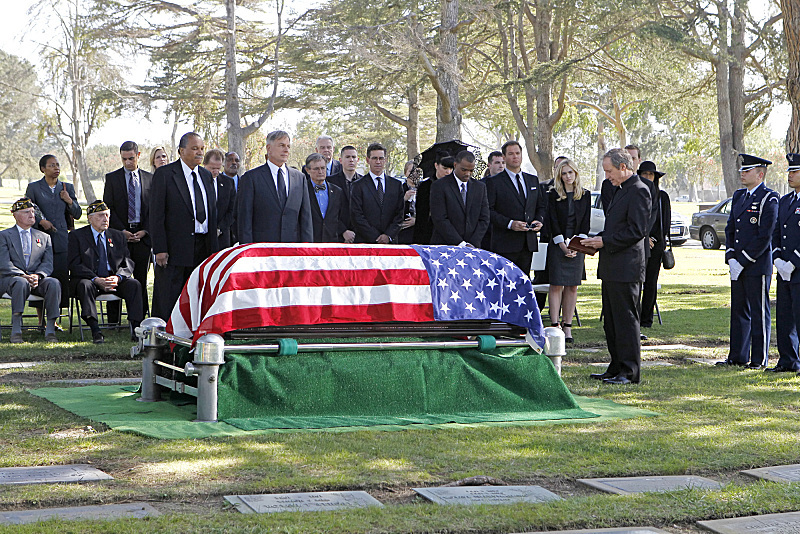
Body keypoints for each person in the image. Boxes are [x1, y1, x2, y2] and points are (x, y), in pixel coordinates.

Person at [582, 148, 651, 385]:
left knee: (626, 320)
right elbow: (616, 228)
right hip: (612, 265)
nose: (607, 176)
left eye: (609, 171)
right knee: (611, 321)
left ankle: (630, 371)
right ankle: (615, 366)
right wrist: (594, 240)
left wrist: (605, 241)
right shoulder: (620, 189)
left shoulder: (639, 190)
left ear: (623, 167)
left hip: (627, 267)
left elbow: (636, 230)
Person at [716, 154, 779, 369]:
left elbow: (765, 235)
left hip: (756, 264)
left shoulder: (768, 198)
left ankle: (759, 358)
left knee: (758, 312)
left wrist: (743, 260)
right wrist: (731, 256)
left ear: (760, 174)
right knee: (739, 311)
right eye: (742, 170)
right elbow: (731, 228)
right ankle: (737, 356)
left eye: (747, 170)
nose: (742, 173)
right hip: (738, 266)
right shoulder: (739, 196)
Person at [149, 132, 219, 320]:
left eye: (202, 148)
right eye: (195, 148)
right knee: (170, 296)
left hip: (203, 246)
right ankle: (166, 338)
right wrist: (160, 248)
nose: (200, 152)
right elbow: (156, 215)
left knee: (199, 294)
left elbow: (212, 212)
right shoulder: (165, 174)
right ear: (181, 151)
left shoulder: (205, 175)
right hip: (174, 247)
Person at [68, 200, 144, 344]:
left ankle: (136, 328)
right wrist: (96, 279)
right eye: (101, 216)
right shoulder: (77, 236)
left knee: (134, 285)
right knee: (85, 286)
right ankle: (96, 330)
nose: (105, 219)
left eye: (107, 216)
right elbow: (74, 264)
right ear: (90, 218)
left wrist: (118, 277)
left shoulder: (117, 236)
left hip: (113, 279)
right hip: (89, 280)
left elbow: (127, 261)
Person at [0, 198, 62, 343]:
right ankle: (16, 330)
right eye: (26, 212)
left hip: (37, 280)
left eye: (33, 212)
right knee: (20, 282)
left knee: (53, 283)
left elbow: (47, 264)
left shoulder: (44, 237)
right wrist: (23, 275)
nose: (31, 215)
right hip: (11, 279)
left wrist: (38, 275)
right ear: (15, 215)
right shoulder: (4, 236)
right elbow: (3, 263)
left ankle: (51, 330)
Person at [103, 141, 152, 319]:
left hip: (142, 234)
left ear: (138, 156)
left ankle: (139, 318)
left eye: (131, 158)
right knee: (115, 275)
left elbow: (153, 209)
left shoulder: (150, 178)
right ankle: (113, 320)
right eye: (124, 159)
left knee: (140, 278)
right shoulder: (112, 178)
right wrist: (121, 230)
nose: (128, 162)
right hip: (119, 235)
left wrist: (145, 230)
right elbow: (109, 208)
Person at [26, 154, 82, 310]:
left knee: (60, 275)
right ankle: (40, 319)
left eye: (57, 164)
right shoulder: (34, 188)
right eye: (51, 165)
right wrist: (40, 221)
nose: (56, 168)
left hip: (61, 239)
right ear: (43, 169)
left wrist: (69, 200)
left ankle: (55, 317)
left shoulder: (67, 188)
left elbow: (78, 214)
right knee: (41, 276)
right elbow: (27, 209)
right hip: (39, 239)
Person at [238, 130, 313, 244]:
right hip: (262, 250)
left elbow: (306, 219)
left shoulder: (299, 178)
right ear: (269, 148)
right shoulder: (251, 178)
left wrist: (307, 249)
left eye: (288, 146)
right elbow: (245, 219)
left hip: (292, 249)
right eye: (281, 145)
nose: (286, 149)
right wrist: (248, 250)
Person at [486, 140, 546, 276]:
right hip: (505, 244)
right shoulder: (494, 182)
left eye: (518, 153)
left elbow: (540, 206)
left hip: (527, 243)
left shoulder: (532, 180)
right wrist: (510, 224)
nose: (515, 157)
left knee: (523, 284)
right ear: (504, 157)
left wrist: (539, 220)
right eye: (511, 154)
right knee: (504, 285)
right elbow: (488, 211)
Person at [547, 159, 590, 343]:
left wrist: (575, 245)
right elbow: (552, 222)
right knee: (556, 285)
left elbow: (585, 223)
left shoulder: (585, 195)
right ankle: (555, 325)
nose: (567, 176)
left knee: (572, 286)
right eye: (564, 173)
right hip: (558, 245)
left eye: (570, 172)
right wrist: (562, 245)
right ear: (559, 175)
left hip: (577, 245)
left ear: (576, 173)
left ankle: (568, 326)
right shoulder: (552, 194)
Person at [770, 153, 800, 372]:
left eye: (795, 171)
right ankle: (788, 360)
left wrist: (794, 261)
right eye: (789, 171)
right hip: (784, 270)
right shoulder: (785, 201)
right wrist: (778, 259)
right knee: (784, 317)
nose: (790, 175)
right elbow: (777, 233)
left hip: (798, 269)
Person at [429, 150, 489, 247]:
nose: (468, 174)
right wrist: (461, 244)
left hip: (472, 247)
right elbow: (440, 218)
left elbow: (484, 218)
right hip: (445, 246)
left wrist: (472, 243)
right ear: (455, 165)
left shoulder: (480, 187)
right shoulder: (439, 186)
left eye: (471, 171)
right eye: (464, 170)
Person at [637, 161, 670, 331]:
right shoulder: (636, 194)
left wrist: (654, 239)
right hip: (638, 243)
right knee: (636, 282)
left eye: (651, 174)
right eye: (645, 174)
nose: (648, 177)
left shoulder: (662, 196)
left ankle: (646, 318)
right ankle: (634, 316)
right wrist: (644, 237)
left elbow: (665, 223)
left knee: (651, 283)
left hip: (656, 246)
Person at [350, 142, 404, 244]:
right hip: (366, 242)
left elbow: (399, 214)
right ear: (368, 160)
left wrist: (388, 236)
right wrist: (376, 237)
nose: (378, 162)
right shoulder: (358, 185)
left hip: (390, 243)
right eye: (374, 158)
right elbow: (357, 216)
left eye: (381, 158)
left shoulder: (396, 185)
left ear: (385, 160)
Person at [305, 153, 347, 242]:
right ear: (307, 170)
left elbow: (341, 217)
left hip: (333, 241)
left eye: (323, 168)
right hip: (310, 241)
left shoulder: (337, 191)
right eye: (316, 169)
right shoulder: (302, 190)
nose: (320, 172)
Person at [414, 153, 454, 245]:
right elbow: (421, 214)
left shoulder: (454, 186)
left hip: (449, 234)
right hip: (428, 232)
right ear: (436, 165)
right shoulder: (425, 186)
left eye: (451, 169)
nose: (448, 172)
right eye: (445, 168)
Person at [203, 149, 237, 249]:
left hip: (222, 238)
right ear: (204, 164)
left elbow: (233, 210)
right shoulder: (197, 181)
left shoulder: (228, 183)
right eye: (212, 168)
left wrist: (220, 228)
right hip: (202, 238)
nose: (216, 171)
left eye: (218, 168)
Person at [328, 145, 362, 243]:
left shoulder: (365, 182)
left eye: (354, 157)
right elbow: (329, 211)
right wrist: (343, 231)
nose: (351, 160)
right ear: (340, 160)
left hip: (360, 236)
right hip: (336, 236)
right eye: (347, 157)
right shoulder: (330, 182)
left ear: (358, 160)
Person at [398, 161, 420, 244]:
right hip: (403, 231)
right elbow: (392, 210)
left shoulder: (424, 189)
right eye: (411, 171)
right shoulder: (399, 189)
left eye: (416, 171)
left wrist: (416, 220)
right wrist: (404, 199)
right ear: (405, 173)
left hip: (419, 231)